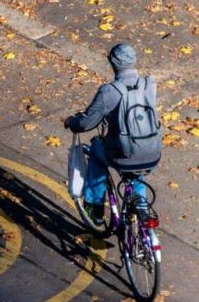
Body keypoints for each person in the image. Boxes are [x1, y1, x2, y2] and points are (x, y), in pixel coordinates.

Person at [64, 43, 161, 223]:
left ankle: (95, 207)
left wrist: (72, 122)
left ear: (112, 63)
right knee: (136, 169)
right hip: (152, 151)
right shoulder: (150, 83)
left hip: (123, 153)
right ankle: (141, 206)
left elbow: (86, 123)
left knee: (96, 151)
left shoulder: (110, 91)